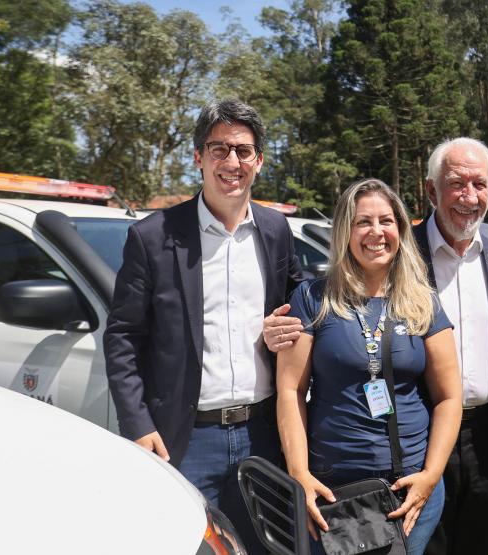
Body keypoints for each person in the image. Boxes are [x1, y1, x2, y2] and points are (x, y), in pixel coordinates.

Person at [104, 99, 302, 554]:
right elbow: (123, 338)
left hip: (264, 434)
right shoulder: (153, 237)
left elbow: (300, 301)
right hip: (186, 439)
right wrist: (138, 423)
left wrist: (288, 326)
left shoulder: (275, 231)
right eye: (219, 149)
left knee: (270, 548)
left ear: (259, 160)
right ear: (198, 158)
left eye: (244, 151)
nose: (232, 162)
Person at [276, 178, 463, 555]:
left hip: (409, 488)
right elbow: (290, 390)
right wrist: (300, 475)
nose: (376, 233)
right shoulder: (314, 298)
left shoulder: (422, 301)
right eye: (363, 222)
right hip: (333, 491)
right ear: (346, 229)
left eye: (387, 221)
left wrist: (431, 475)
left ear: (400, 229)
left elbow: (449, 396)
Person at [415, 137, 488, 555]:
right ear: (430, 190)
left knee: (478, 540)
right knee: (426, 540)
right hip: (420, 427)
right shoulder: (402, 251)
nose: (469, 197)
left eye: (480, 185)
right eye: (457, 183)